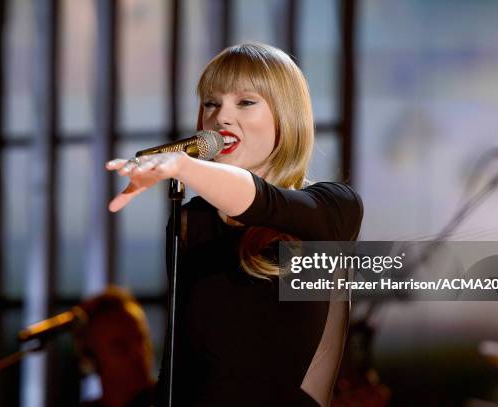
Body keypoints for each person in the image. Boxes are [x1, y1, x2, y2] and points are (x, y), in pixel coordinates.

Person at [106, 42, 363, 407]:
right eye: (212, 103)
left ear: (284, 114)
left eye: (245, 102)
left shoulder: (333, 208)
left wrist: (183, 165)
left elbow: (262, 201)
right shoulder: (190, 220)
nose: (222, 117)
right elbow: (179, 362)